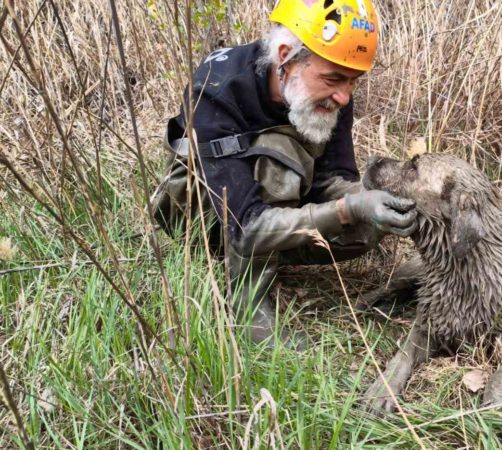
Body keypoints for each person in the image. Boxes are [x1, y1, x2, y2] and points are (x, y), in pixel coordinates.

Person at [150, 0, 417, 347]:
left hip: (274, 204)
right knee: (282, 156)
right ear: (286, 57)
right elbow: (247, 226)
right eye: (333, 78)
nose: (343, 96)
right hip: (201, 216)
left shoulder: (331, 95)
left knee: (366, 227)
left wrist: (374, 203)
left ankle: (277, 252)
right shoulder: (217, 89)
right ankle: (247, 306)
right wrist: (346, 210)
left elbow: (331, 178)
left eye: (353, 81)